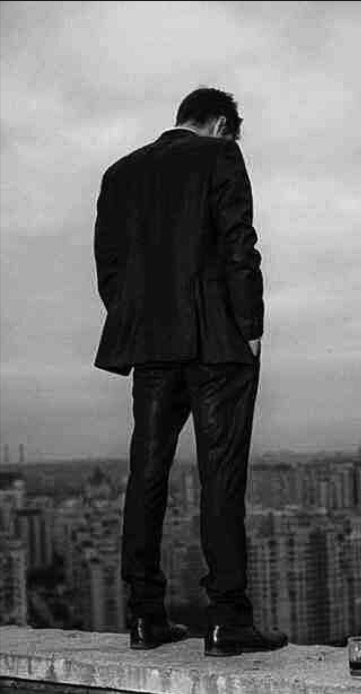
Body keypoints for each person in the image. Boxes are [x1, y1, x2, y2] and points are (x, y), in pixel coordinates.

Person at [93, 87, 288, 656]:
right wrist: (250, 325)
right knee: (220, 475)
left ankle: (144, 617)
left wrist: (138, 321)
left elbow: (109, 264)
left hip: (151, 345)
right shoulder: (220, 154)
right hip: (217, 343)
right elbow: (239, 244)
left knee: (147, 472)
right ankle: (228, 620)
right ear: (222, 123)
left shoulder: (121, 172)